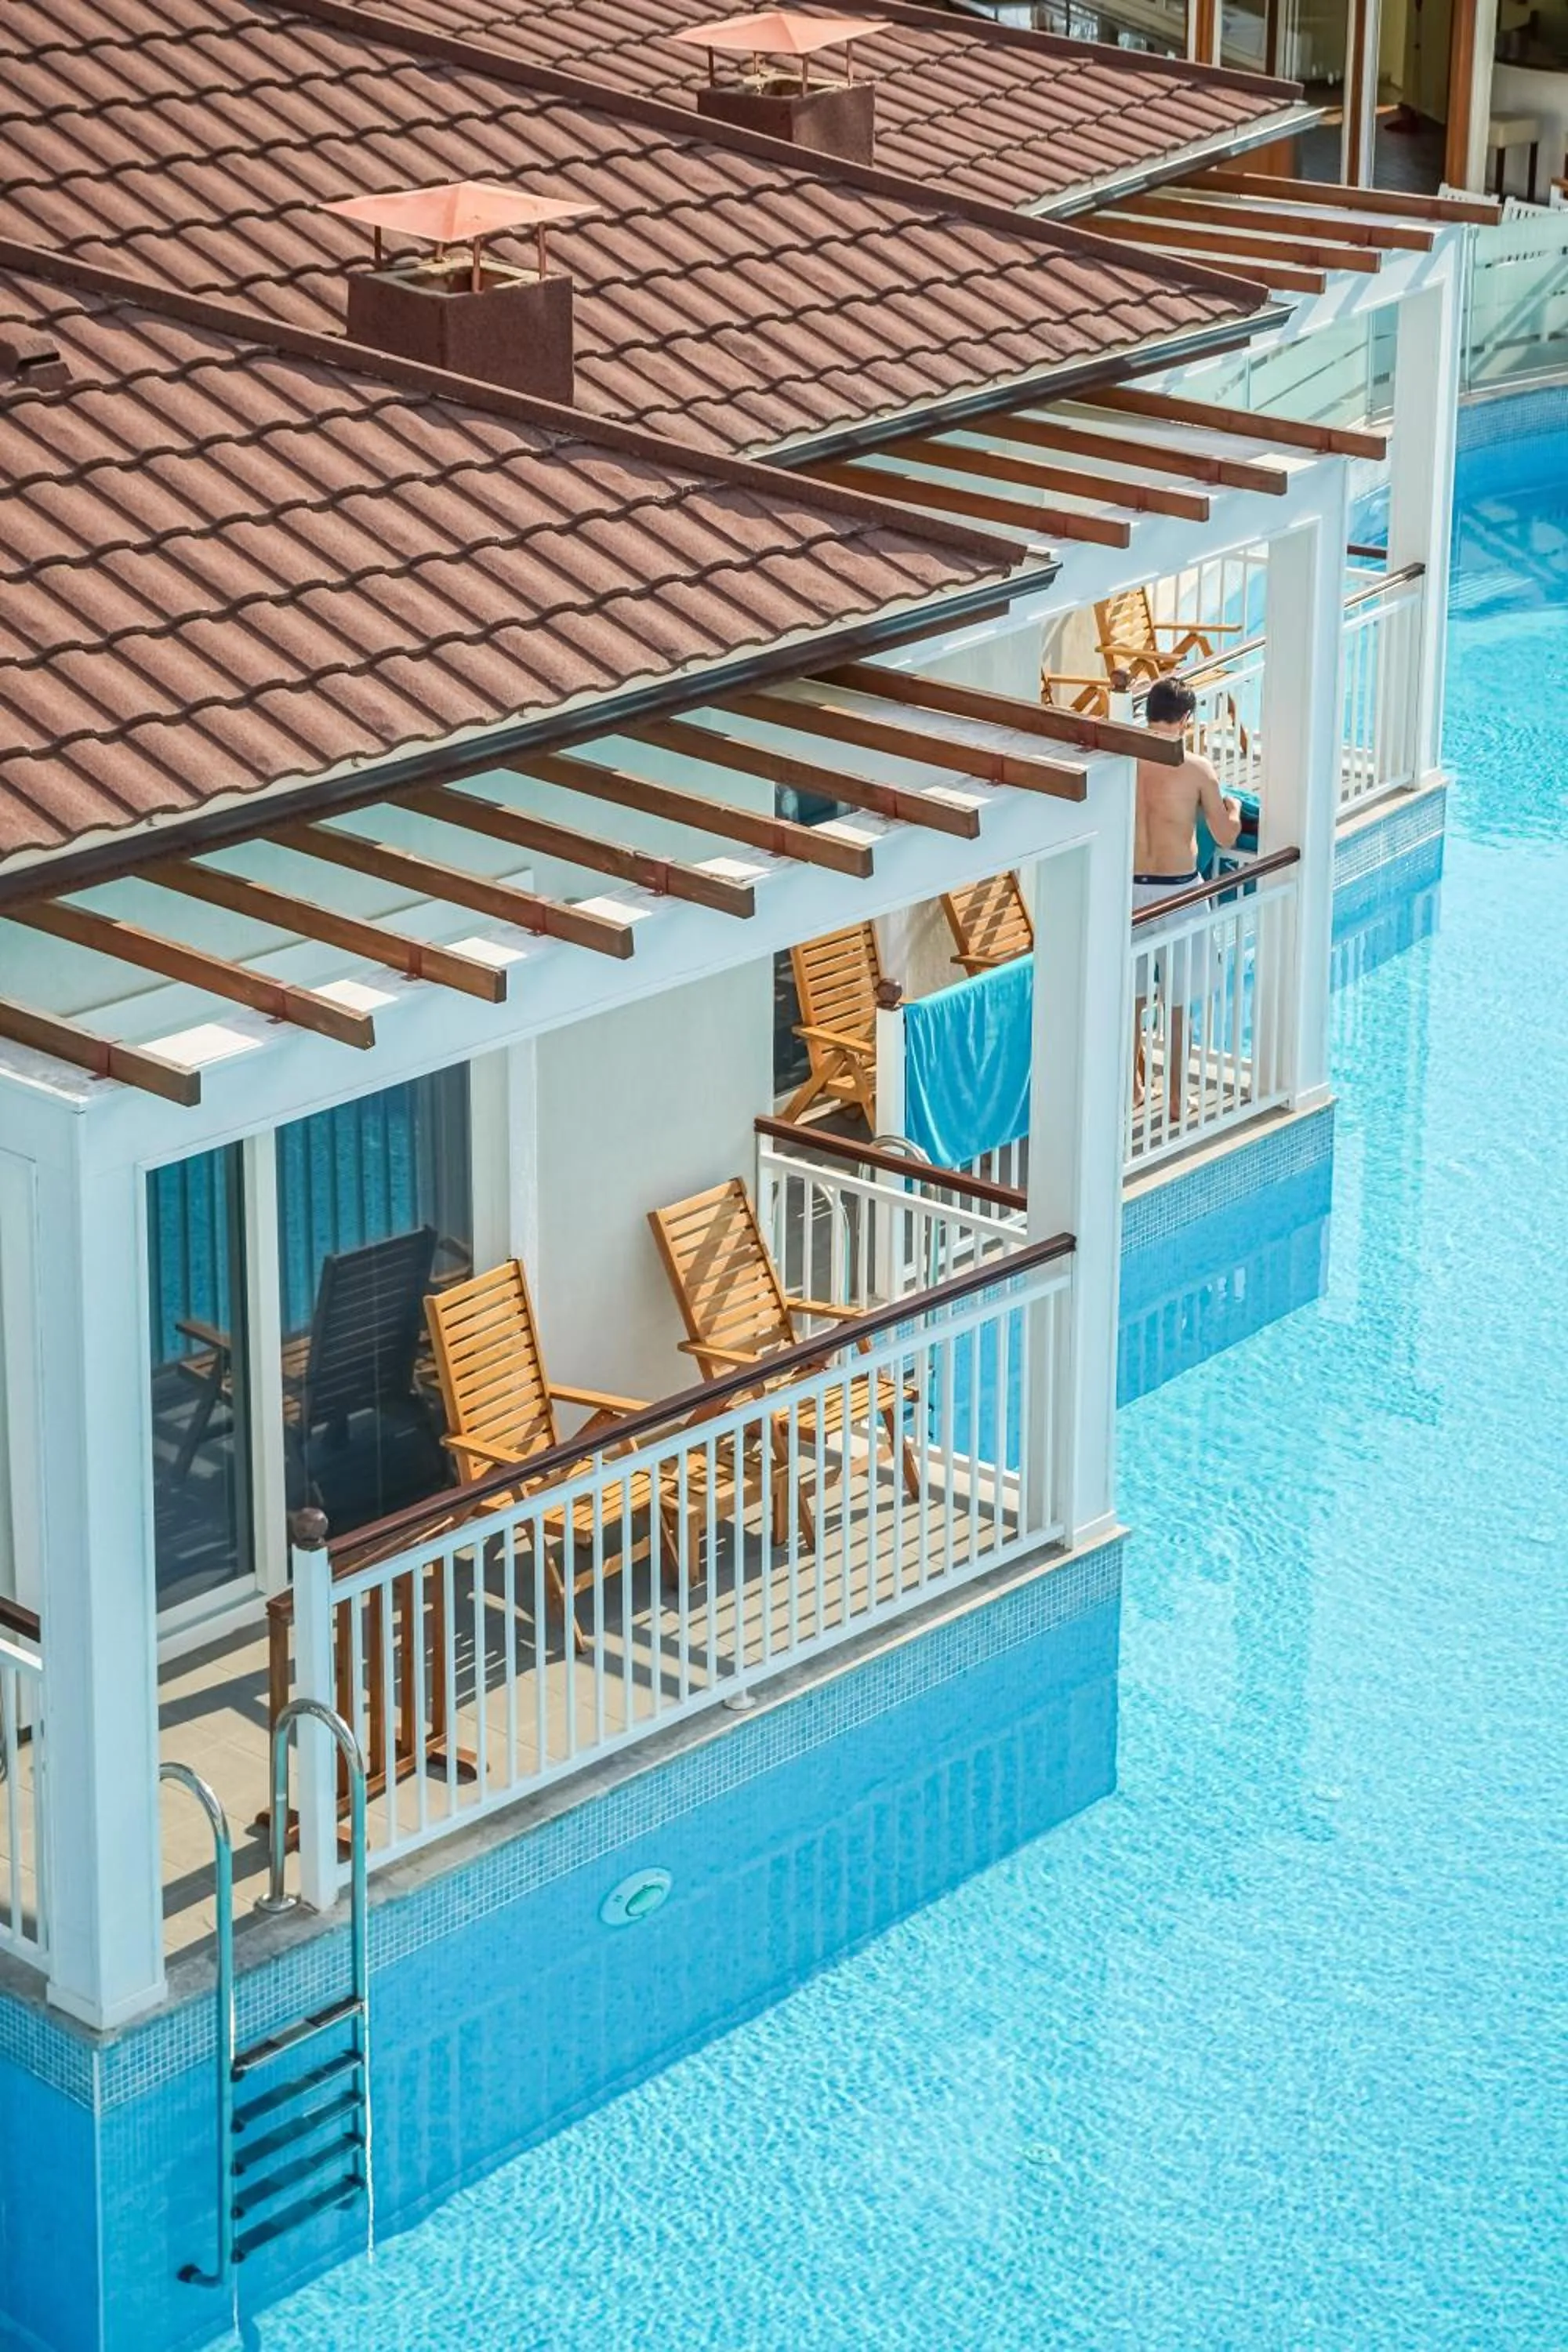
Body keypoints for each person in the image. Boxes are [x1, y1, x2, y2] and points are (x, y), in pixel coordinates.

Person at [1131, 677, 1242, 1126]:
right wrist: (1234, 809)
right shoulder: (1195, 769)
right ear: (1187, 719)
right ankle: (1176, 1099)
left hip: (1130, 893)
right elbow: (1225, 836)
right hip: (1178, 893)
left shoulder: (1123, 760)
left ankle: (1131, 1089)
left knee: (1133, 999)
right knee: (1178, 1005)